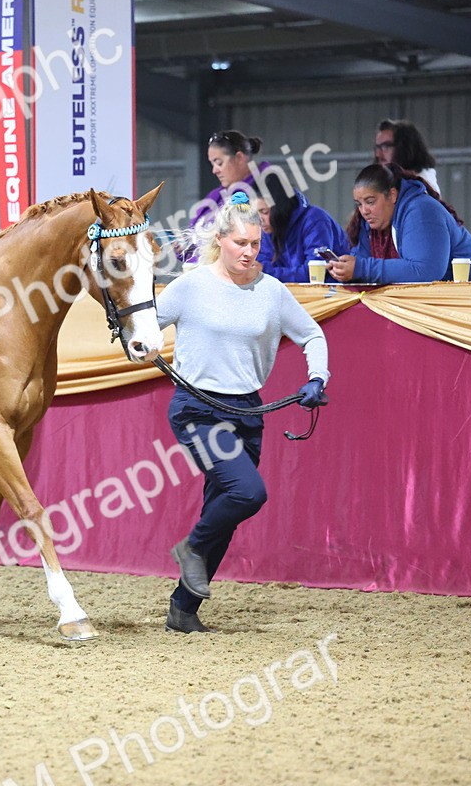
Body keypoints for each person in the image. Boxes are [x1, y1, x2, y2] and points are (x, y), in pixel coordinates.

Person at [157, 192, 330, 634]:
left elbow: (312, 336)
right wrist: (136, 338)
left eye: (256, 243)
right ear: (220, 240)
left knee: (225, 509)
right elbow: (144, 325)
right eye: (241, 243)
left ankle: (183, 609)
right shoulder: (191, 284)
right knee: (248, 493)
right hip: (198, 408)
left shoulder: (271, 291)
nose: (250, 252)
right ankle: (191, 548)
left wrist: (317, 378)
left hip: (248, 410)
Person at [331, 163, 471, 284]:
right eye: (359, 204)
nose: (364, 210)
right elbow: (362, 263)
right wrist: (344, 269)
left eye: (370, 202)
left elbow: (425, 270)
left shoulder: (421, 210)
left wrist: (362, 268)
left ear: (392, 195)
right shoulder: (371, 222)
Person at [252, 171, 349, 283]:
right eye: (255, 214)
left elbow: (314, 274)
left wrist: (266, 272)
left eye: (264, 212)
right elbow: (261, 266)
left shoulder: (315, 220)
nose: (259, 220)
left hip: (331, 295)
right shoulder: (267, 229)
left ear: (280, 207)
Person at [188, 130, 269, 236]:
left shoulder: (265, 193)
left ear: (239, 158)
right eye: (212, 164)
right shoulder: (215, 196)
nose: (214, 170)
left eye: (219, 163)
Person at [374, 119, 440, 195]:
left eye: (386, 146)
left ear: (405, 148)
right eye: (378, 147)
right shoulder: (391, 183)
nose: (378, 154)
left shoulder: (421, 186)